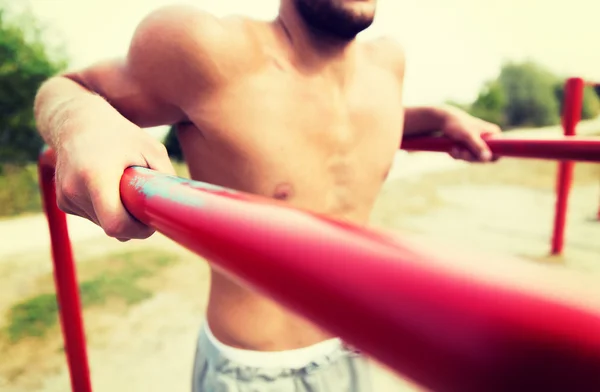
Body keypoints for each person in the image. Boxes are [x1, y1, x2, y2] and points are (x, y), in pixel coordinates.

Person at [34, 0, 501, 390]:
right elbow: (68, 87)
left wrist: (440, 115)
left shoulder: (388, 65)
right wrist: (81, 124)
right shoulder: (205, 48)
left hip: (358, 345)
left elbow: (347, 115)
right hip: (257, 370)